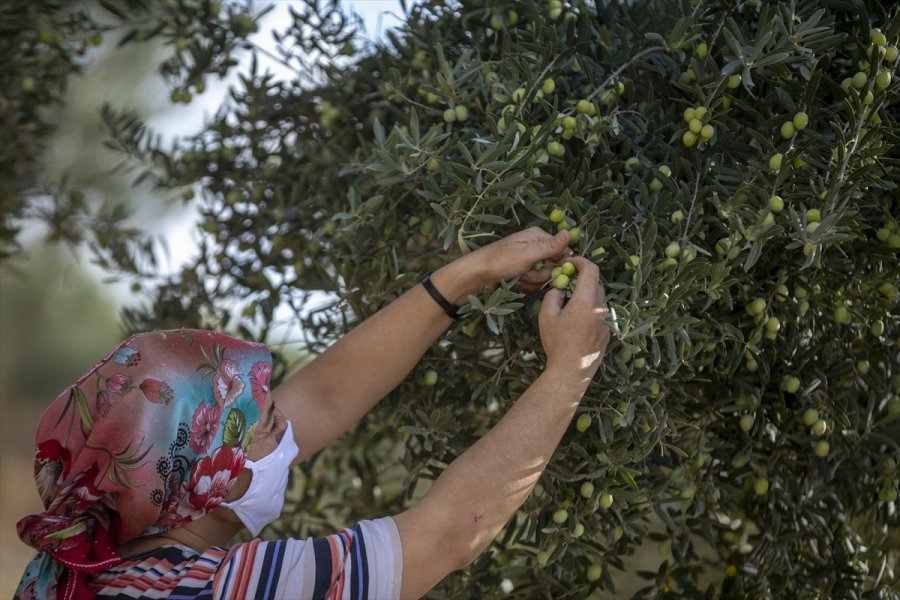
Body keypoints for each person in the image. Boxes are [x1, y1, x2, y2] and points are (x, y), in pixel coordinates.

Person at [15, 227, 611, 599]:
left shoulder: (103, 565)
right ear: (209, 484)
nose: (286, 431)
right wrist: (572, 367)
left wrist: (471, 274)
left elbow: (326, 396)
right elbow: (448, 535)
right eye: (270, 424)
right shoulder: (209, 590)